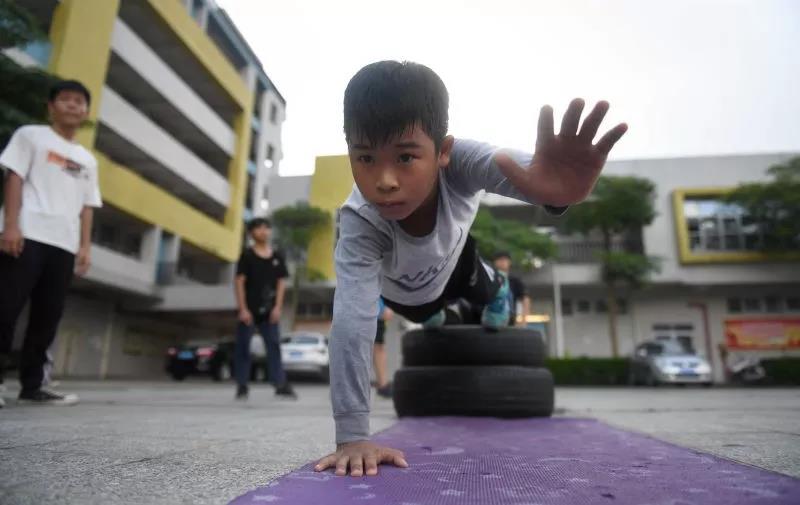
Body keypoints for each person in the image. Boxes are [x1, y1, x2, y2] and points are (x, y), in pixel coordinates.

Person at [314, 60, 627, 477]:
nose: (384, 180)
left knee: (481, 287)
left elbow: (525, 172)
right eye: (365, 157)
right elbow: (352, 324)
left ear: (442, 150)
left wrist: (554, 192)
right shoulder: (358, 223)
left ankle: (498, 289)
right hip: (406, 295)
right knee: (432, 319)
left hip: (458, 264)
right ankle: (444, 315)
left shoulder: (462, 162)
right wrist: (352, 436)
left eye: (406, 157)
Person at [0, 80, 102, 407]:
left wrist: (84, 247)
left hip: (64, 244)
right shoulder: (30, 135)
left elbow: (88, 206)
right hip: (28, 233)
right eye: (66, 99)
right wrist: (10, 225)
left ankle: (33, 385)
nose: (73, 105)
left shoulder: (87, 159)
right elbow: (14, 176)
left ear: (86, 111)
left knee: (49, 315)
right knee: (6, 307)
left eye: (79, 101)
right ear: (51, 106)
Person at [233, 217, 296, 400]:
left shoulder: (277, 256)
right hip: (249, 310)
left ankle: (279, 383)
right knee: (244, 346)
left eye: (266, 228)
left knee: (274, 346)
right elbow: (239, 281)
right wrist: (242, 309)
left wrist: (278, 307)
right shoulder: (247, 255)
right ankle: (242, 385)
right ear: (252, 233)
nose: (263, 231)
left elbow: (281, 283)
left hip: (270, 310)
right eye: (259, 228)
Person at [492, 251, 531, 326]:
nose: (502, 262)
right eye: (500, 260)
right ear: (495, 262)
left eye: (505, 259)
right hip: (490, 319)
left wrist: (523, 321)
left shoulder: (514, 281)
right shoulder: (491, 279)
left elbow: (525, 300)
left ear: (509, 262)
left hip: (509, 321)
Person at [373, 297, 394, 399]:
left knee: (378, 346)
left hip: (376, 308)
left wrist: (384, 306)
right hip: (360, 305)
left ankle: (383, 384)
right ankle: (382, 384)